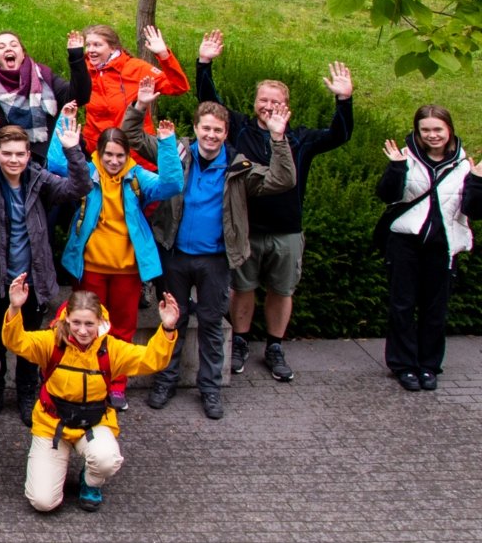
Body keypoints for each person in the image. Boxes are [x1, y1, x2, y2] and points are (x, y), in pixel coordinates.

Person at [196, 30, 355, 382]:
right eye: (263, 100)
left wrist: (344, 101)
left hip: (287, 230)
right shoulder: (238, 129)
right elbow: (209, 100)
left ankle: (275, 346)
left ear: (286, 106)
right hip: (247, 228)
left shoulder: (300, 138)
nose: (267, 106)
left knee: (282, 292)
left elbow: (339, 136)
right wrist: (204, 63)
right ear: (255, 102)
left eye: (275, 101)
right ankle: (239, 341)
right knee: (243, 289)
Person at [128, 87, 297, 419]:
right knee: (172, 322)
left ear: (226, 133)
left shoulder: (238, 168)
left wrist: (278, 138)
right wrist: (140, 105)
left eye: (218, 130)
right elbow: (133, 135)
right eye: (205, 128)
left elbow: (282, 179)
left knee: (210, 324)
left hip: (216, 260)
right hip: (174, 254)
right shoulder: (174, 154)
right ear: (196, 129)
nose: (211, 135)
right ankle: (166, 381)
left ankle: (210, 389)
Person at [0, 102, 92, 427]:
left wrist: (73, 151)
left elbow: (80, 186)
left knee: (30, 338)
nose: (14, 160)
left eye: (20, 154)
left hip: (32, 277)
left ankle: (27, 392)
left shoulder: (39, 179)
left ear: (29, 155)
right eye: (7, 153)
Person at [2, 275, 181, 513]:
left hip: (93, 423)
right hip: (52, 424)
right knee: (43, 502)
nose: (83, 331)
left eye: (89, 324)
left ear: (100, 322)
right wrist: (15, 307)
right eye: (76, 323)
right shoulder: (51, 342)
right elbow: (16, 342)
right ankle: (56, 467)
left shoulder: (111, 349)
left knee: (107, 460)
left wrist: (167, 327)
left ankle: (91, 479)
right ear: (67, 320)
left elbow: (152, 360)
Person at [47, 109, 182, 408]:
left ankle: (116, 385)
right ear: (99, 152)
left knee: (122, 330)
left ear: (127, 155)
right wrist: (64, 125)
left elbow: (172, 185)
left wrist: (168, 143)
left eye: (120, 155)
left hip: (126, 271)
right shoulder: (88, 171)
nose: (114, 161)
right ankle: (87, 380)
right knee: (85, 326)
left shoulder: (136, 176)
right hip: (90, 268)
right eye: (109, 154)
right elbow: (55, 163)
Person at [377, 105, 482, 391]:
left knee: (435, 309)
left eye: (438, 129)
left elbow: (474, 210)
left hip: (442, 246)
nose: (432, 135)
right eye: (426, 130)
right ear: (418, 131)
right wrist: (396, 168)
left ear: (449, 130)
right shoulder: (405, 157)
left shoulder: (463, 165)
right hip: (405, 243)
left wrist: (478, 181)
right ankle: (403, 365)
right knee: (402, 305)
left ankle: (428, 365)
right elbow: (386, 195)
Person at [0, 28, 89, 162]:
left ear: (23, 53)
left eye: (13, 45)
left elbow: (79, 97)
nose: (8, 49)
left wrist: (76, 57)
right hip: (2, 157)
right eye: (1, 47)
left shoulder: (44, 77)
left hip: (42, 157)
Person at [79, 24, 189, 153]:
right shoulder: (83, 69)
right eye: (88, 45)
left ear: (113, 47)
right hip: (98, 154)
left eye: (97, 45)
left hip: (134, 153)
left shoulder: (136, 69)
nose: (90, 50)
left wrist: (164, 55)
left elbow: (179, 87)